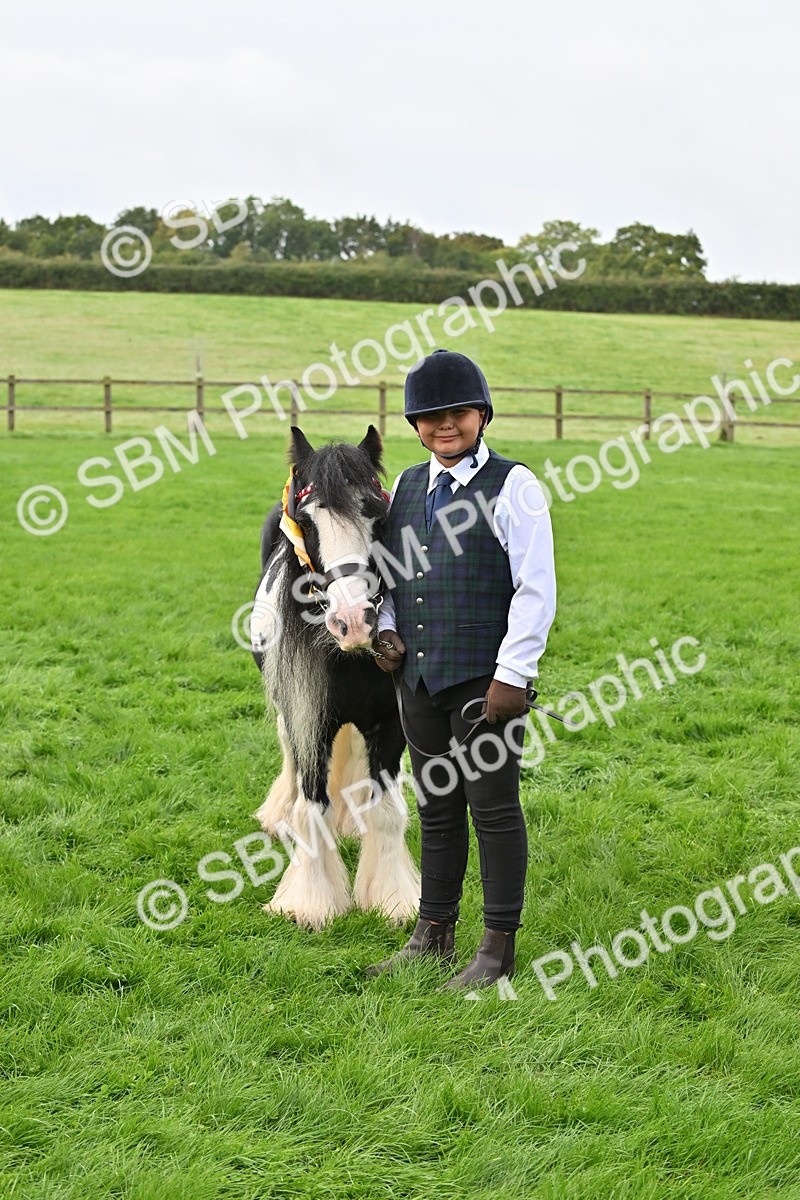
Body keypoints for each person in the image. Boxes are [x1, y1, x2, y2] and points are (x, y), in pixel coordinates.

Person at [365, 348, 557, 991]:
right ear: (415, 423)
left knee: (493, 808)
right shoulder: (406, 489)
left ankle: (497, 948)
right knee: (437, 806)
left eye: (458, 412)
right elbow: (388, 572)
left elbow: (536, 588)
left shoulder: (514, 484)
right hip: (417, 678)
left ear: (481, 414)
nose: (444, 425)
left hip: (484, 681)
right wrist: (385, 629)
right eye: (430, 416)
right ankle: (432, 934)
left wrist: (513, 676)